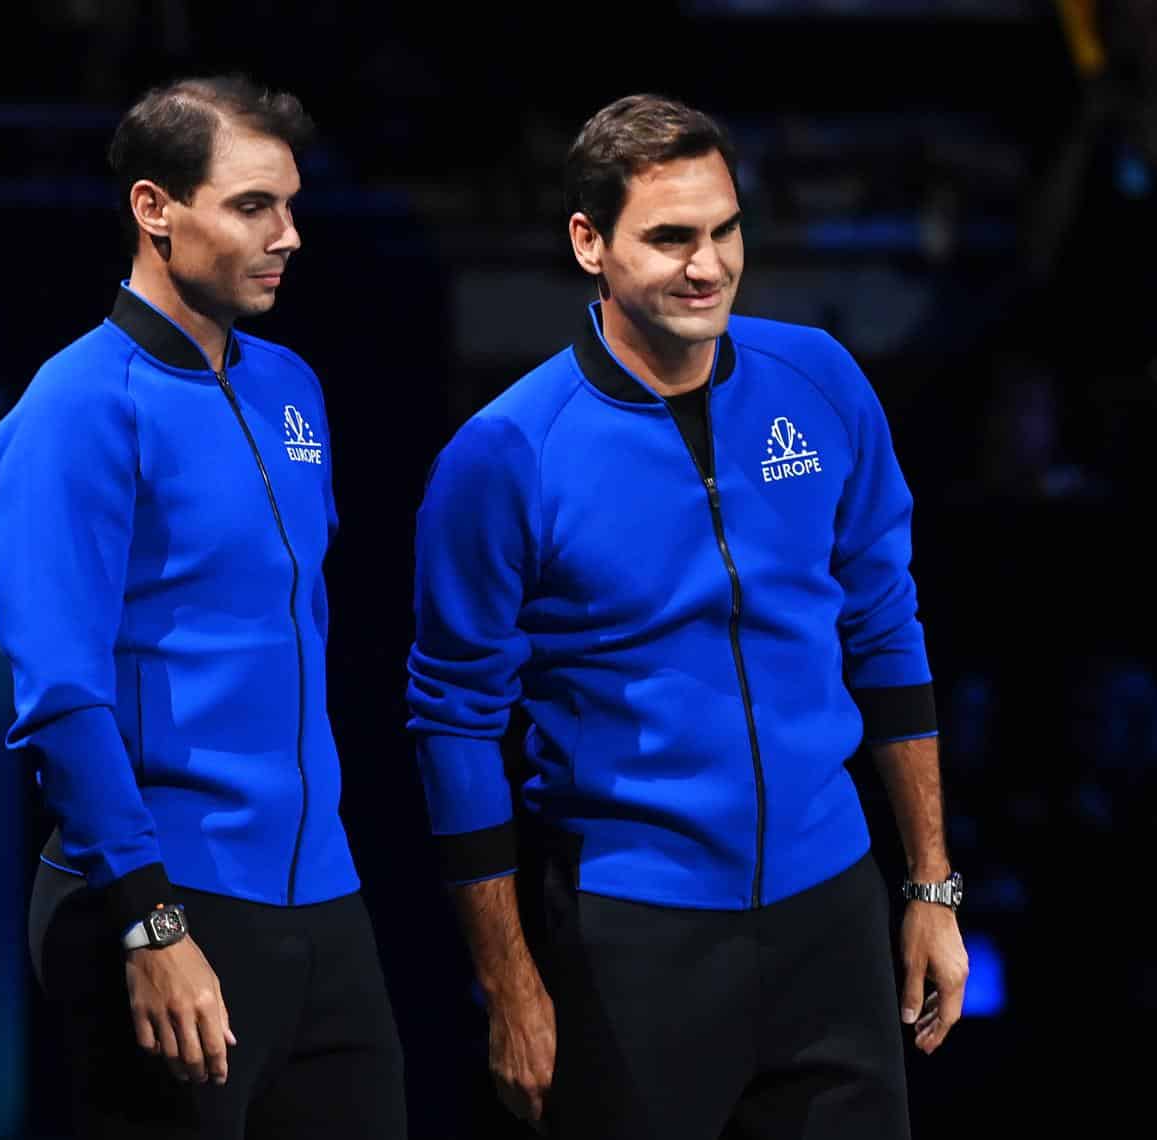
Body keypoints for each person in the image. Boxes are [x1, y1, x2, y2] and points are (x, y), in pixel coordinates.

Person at [405, 93, 968, 1140]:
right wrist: (509, 984)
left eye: (724, 230)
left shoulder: (822, 381)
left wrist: (931, 886)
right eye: (670, 238)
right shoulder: (505, 453)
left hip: (832, 910)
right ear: (589, 242)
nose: (707, 265)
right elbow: (453, 724)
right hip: (637, 936)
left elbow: (887, 630)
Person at [0, 75, 406, 1140]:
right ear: (154, 210)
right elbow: (61, 696)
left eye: (292, 206)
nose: (289, 235)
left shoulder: (292, 385)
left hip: (320, 892)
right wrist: (149, 923)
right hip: (164, 894)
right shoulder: (79, 406)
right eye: (253, 206)